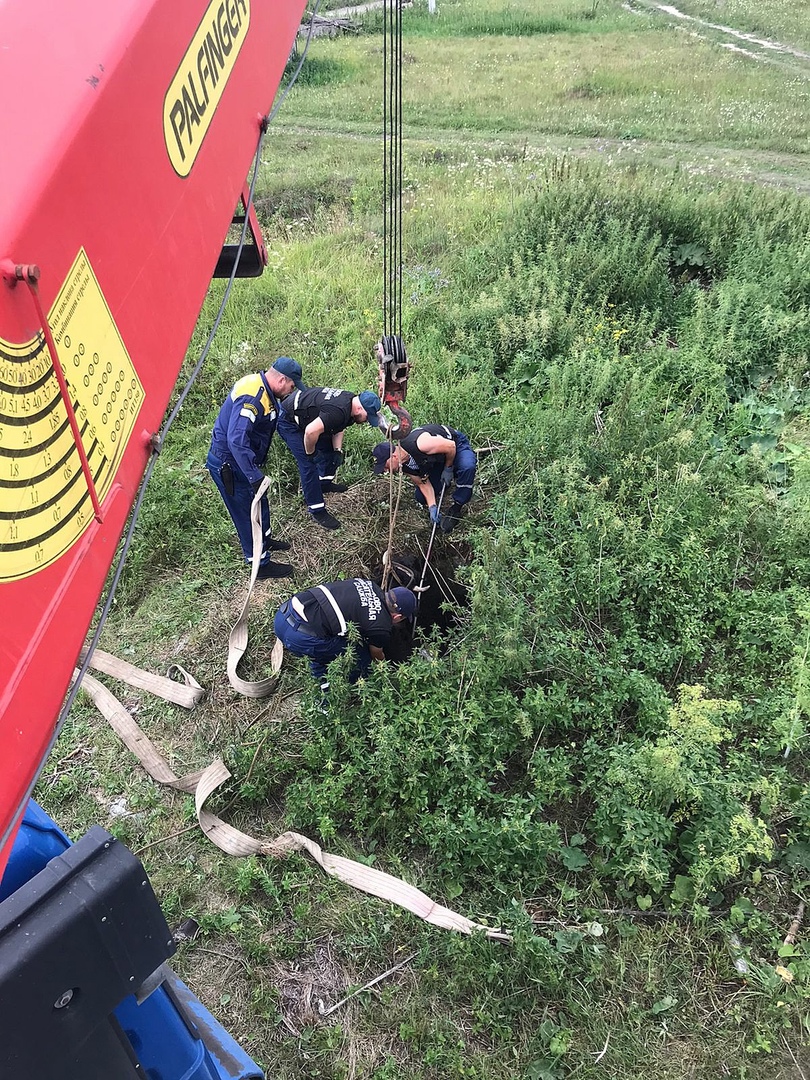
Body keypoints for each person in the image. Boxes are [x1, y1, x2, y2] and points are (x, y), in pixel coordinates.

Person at [206, 357, 304, 579]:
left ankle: (265, 539)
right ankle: (259, 564)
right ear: (281, 380)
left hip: (242, 461)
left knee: (259, 500)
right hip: (230, 464)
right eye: (291, 385)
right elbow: (237, 440)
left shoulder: (263, 388)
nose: (291, 390)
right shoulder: (253, 397)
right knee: (245, 510)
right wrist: (253, 475)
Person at [274, 579, 417, 696]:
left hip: (283, 614)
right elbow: (376, 654)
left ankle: (319, 669)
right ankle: (332, 699)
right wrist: (385, 671)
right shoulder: (381, 626)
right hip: (300, 637)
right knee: (361, 658)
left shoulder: (368, 584)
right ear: (397, 616)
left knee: (330, 644)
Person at [278, 386, 382, 530]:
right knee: (308, 464)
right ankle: (317, 510)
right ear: (359, 409)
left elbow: (338, 427)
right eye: (367, 417)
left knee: (329, 450)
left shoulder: (350, 402)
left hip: (309, 417)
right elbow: (310, 432)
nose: (366, 421)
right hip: (288, 419)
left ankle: (324, 484)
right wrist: (311, 453)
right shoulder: (338, 410)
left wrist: (337, 451)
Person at [371, 424, 477, 532]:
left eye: (385, 466)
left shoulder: (420, 444)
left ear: (393, 457)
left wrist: (448, 468)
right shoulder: (402, 465)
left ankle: (457, 507)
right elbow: (422, 483)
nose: (385, 470)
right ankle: (449, 474)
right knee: (421, 497)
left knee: (467, 467)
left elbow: (450, 446)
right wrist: (432, 507)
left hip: (455, 445)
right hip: (438, 458)